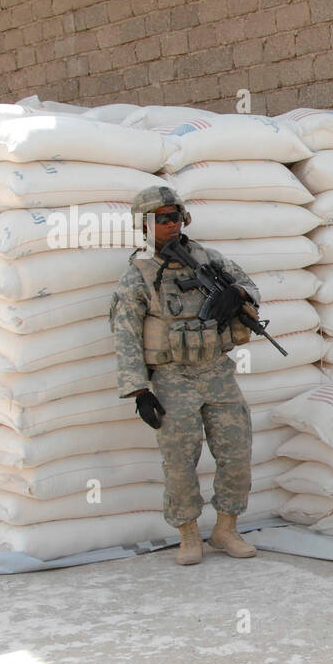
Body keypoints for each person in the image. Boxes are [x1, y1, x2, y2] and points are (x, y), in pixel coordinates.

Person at [108, 185, 262, 565]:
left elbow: (252, 287)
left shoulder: (209, 259)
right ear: (145, 224)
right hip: (173, 377)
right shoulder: (139, 275)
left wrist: (237, 294)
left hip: (217, 370)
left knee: (237, 450)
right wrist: (140, 391)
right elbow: (126, 333)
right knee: (179, 459)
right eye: (162, 219)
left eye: (175, 216)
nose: (172, 224)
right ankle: (188, 533)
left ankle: (226, 528)